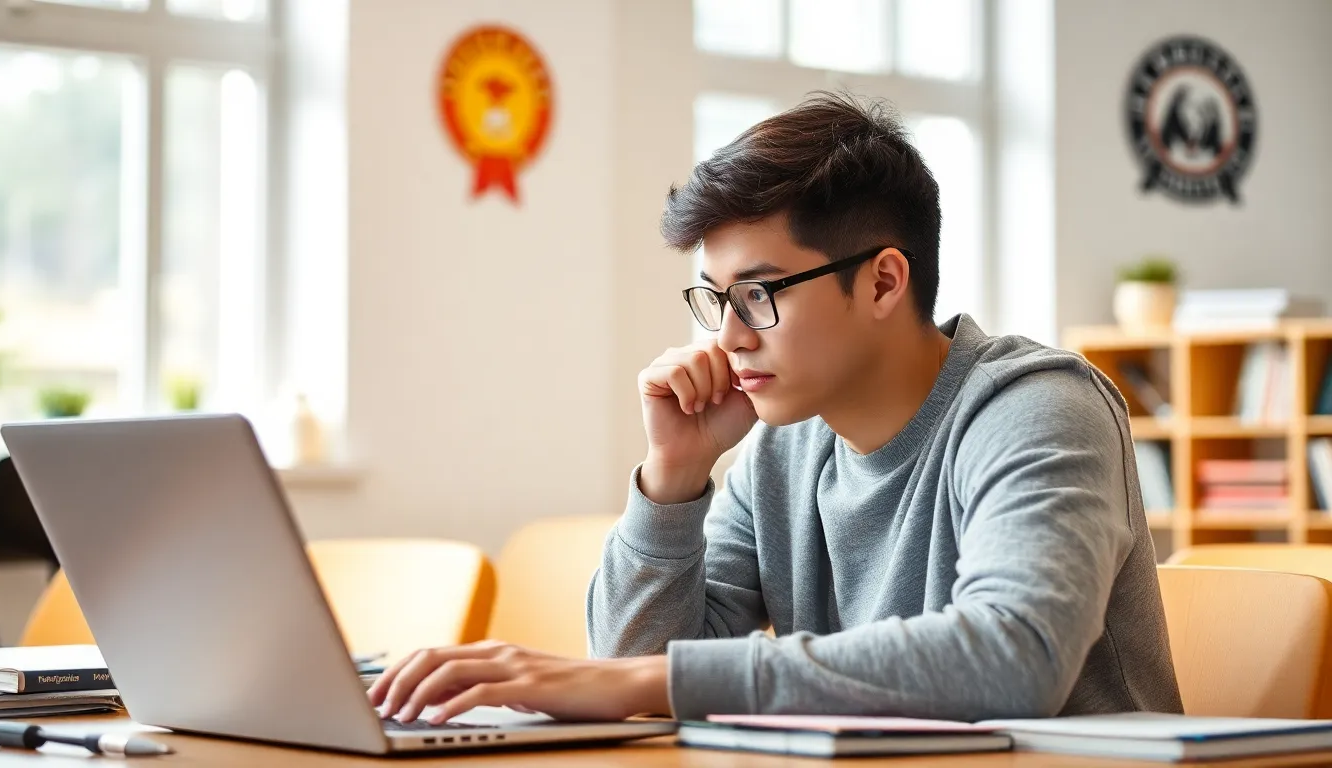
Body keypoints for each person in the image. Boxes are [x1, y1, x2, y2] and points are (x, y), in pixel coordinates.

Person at [367, 92, 1183, 725]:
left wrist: (642, 681)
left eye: (756, 294)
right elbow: (631, 663)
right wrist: (675, 478)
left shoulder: (1036, 407)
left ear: (883, 281)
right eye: (714, 299)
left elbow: (1016, 655)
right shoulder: (784, 448)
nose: (727, 338)